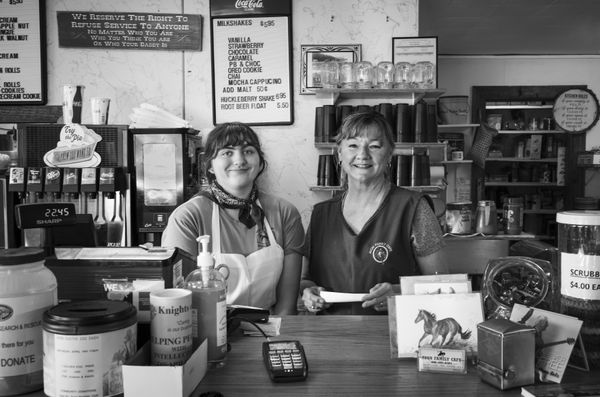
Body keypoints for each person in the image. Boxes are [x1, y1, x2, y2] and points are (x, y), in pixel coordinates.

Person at [300, 111, 449, 315]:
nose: (362, 155)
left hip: (392, 336)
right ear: (339, 153)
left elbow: (444, 285)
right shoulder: (320, 214)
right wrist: (308, 292)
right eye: (353, 145)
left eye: (375, 146)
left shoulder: (413, 208)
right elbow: (305, 280)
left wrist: (398, 293)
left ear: (389, 154)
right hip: (329, 337)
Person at [162, 122, 304, 315]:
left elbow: (287, 306)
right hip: (207, 332)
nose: (239, 160)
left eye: (248, 151)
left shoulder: (284, 212)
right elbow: (179, 303)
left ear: (260, 162)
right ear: (210, 165)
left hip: (270, 329)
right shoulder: (188, 217)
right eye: (227, 153)